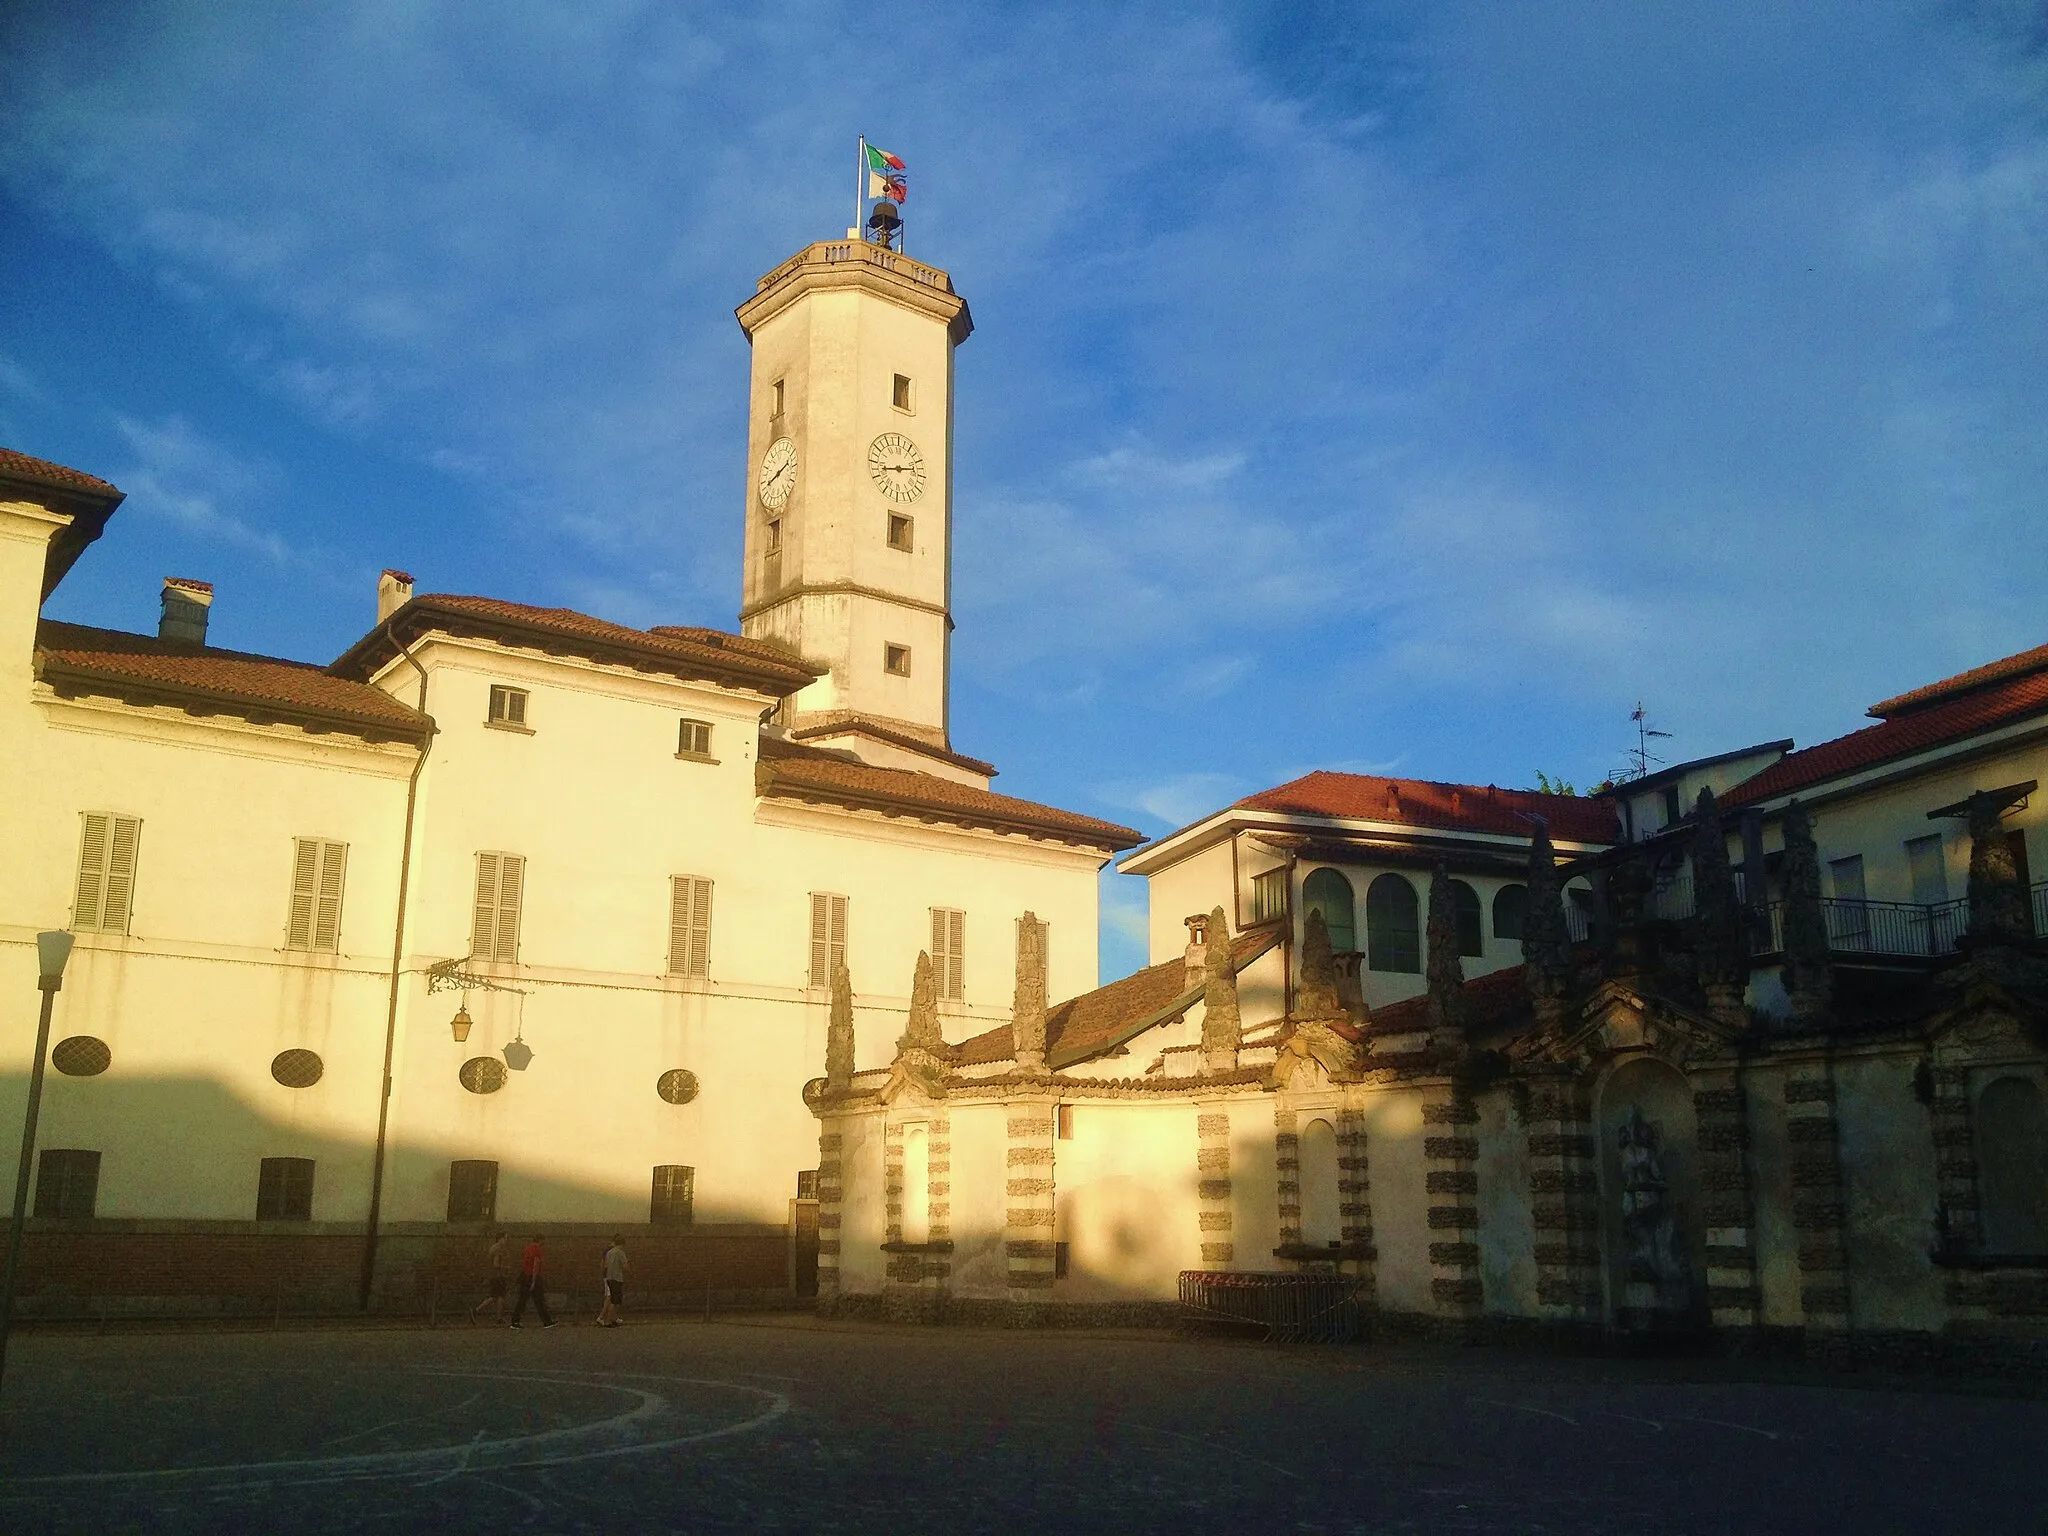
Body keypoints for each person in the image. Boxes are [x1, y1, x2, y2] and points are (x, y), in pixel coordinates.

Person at [508, 1233, 557, 1328]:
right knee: (540, 1300)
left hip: (525, 1275)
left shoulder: (527, 1247)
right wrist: (534, 1281)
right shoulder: (538, 1249)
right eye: (544, 1240)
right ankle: (547, 1321)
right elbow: (536, 1264)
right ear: (541, 1240)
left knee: (522, 1300)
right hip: (533, 1276)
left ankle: (515, 1321)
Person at [470, 1230, 510, 1323]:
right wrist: (506, 1267)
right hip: (498, 1276)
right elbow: (496, 1264)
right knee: (497, 1296)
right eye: (505, 1238)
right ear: (500, 1239)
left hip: (494, 1276)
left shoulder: (493, 1248)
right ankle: (477, 1310)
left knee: (497, 1296)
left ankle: (497, 1317)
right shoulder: (498, 1249)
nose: (506, 1240)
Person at [597, 1236, 628, 1327]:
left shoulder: (609, 1252)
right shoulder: (620, 1252)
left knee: (612, 1298)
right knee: (615, 1301)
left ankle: (612, 1319)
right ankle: (608, 1320)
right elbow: (625, 1267)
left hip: (609, 1277)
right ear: (622, 1244)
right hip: (617, 1278)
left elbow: (605, 1265)